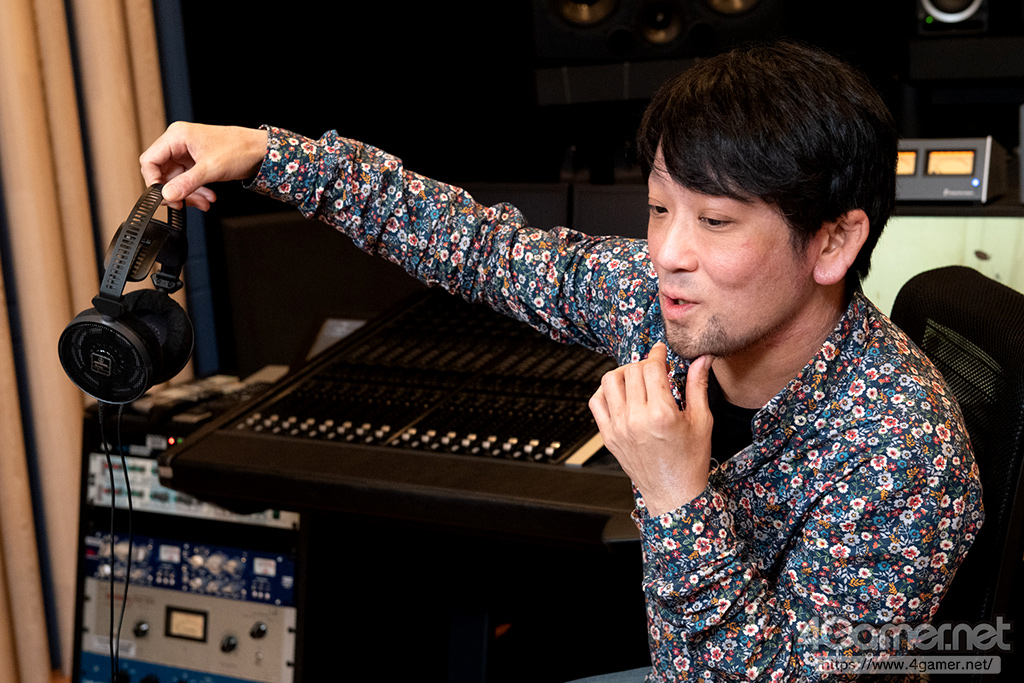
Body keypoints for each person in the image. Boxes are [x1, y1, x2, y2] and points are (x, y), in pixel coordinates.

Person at [141, 41, 982, 681]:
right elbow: (478, 246)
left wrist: (676, 497)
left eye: (716, 221)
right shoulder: (666, 302)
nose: (667, 253)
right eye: (659, 208)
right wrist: (270, 154)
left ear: (832, 242)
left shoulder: (904, 450)